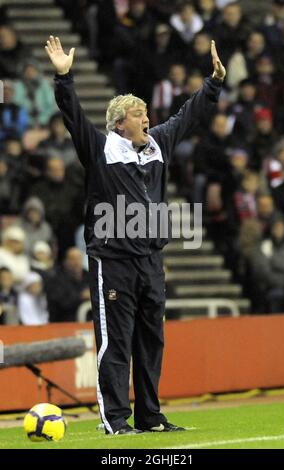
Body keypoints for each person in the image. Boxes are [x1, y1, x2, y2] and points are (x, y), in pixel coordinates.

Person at [45, 34, 225, 435]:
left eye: (146, 112)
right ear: (118, 123)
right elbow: (73, 114)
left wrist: (212, 83)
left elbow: (187, 115)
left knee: (151, 342)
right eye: (138, 113)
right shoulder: (100, 148)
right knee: (116, 343)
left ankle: (150, 416)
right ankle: (115, 420)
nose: (147, 118)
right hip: (113, 262)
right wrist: (64, 78)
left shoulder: (158, 144)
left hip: (150, 260)